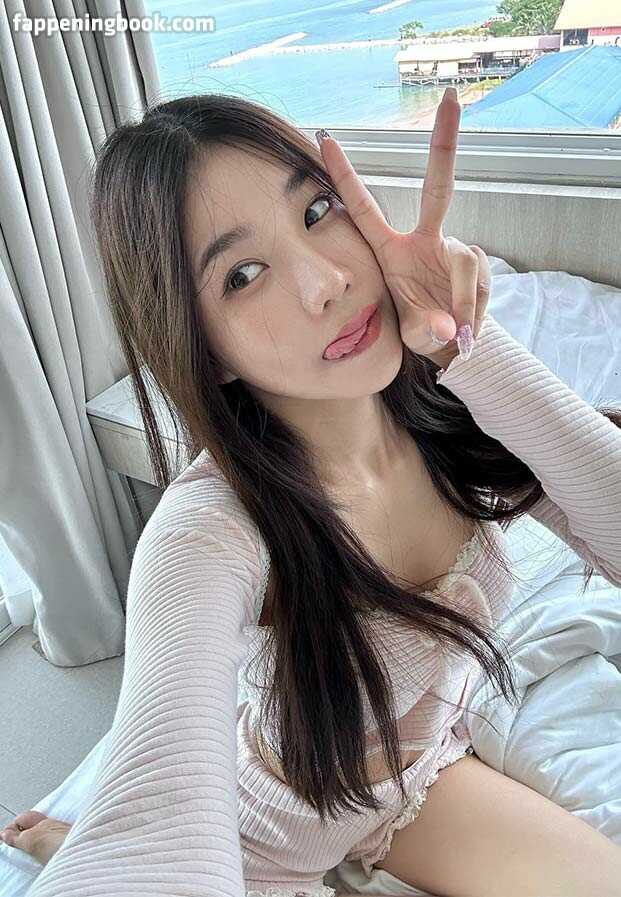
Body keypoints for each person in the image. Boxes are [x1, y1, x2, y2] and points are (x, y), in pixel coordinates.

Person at [3, 89, 621, 897]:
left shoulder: (447, 409)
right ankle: (68, 837)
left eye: (317, 210)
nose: (327, 281)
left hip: (418, 776)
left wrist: (469, 346)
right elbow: (152, 843)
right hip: (271, 841)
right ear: (202, 347)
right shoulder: (207, 532)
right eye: (242, 275)